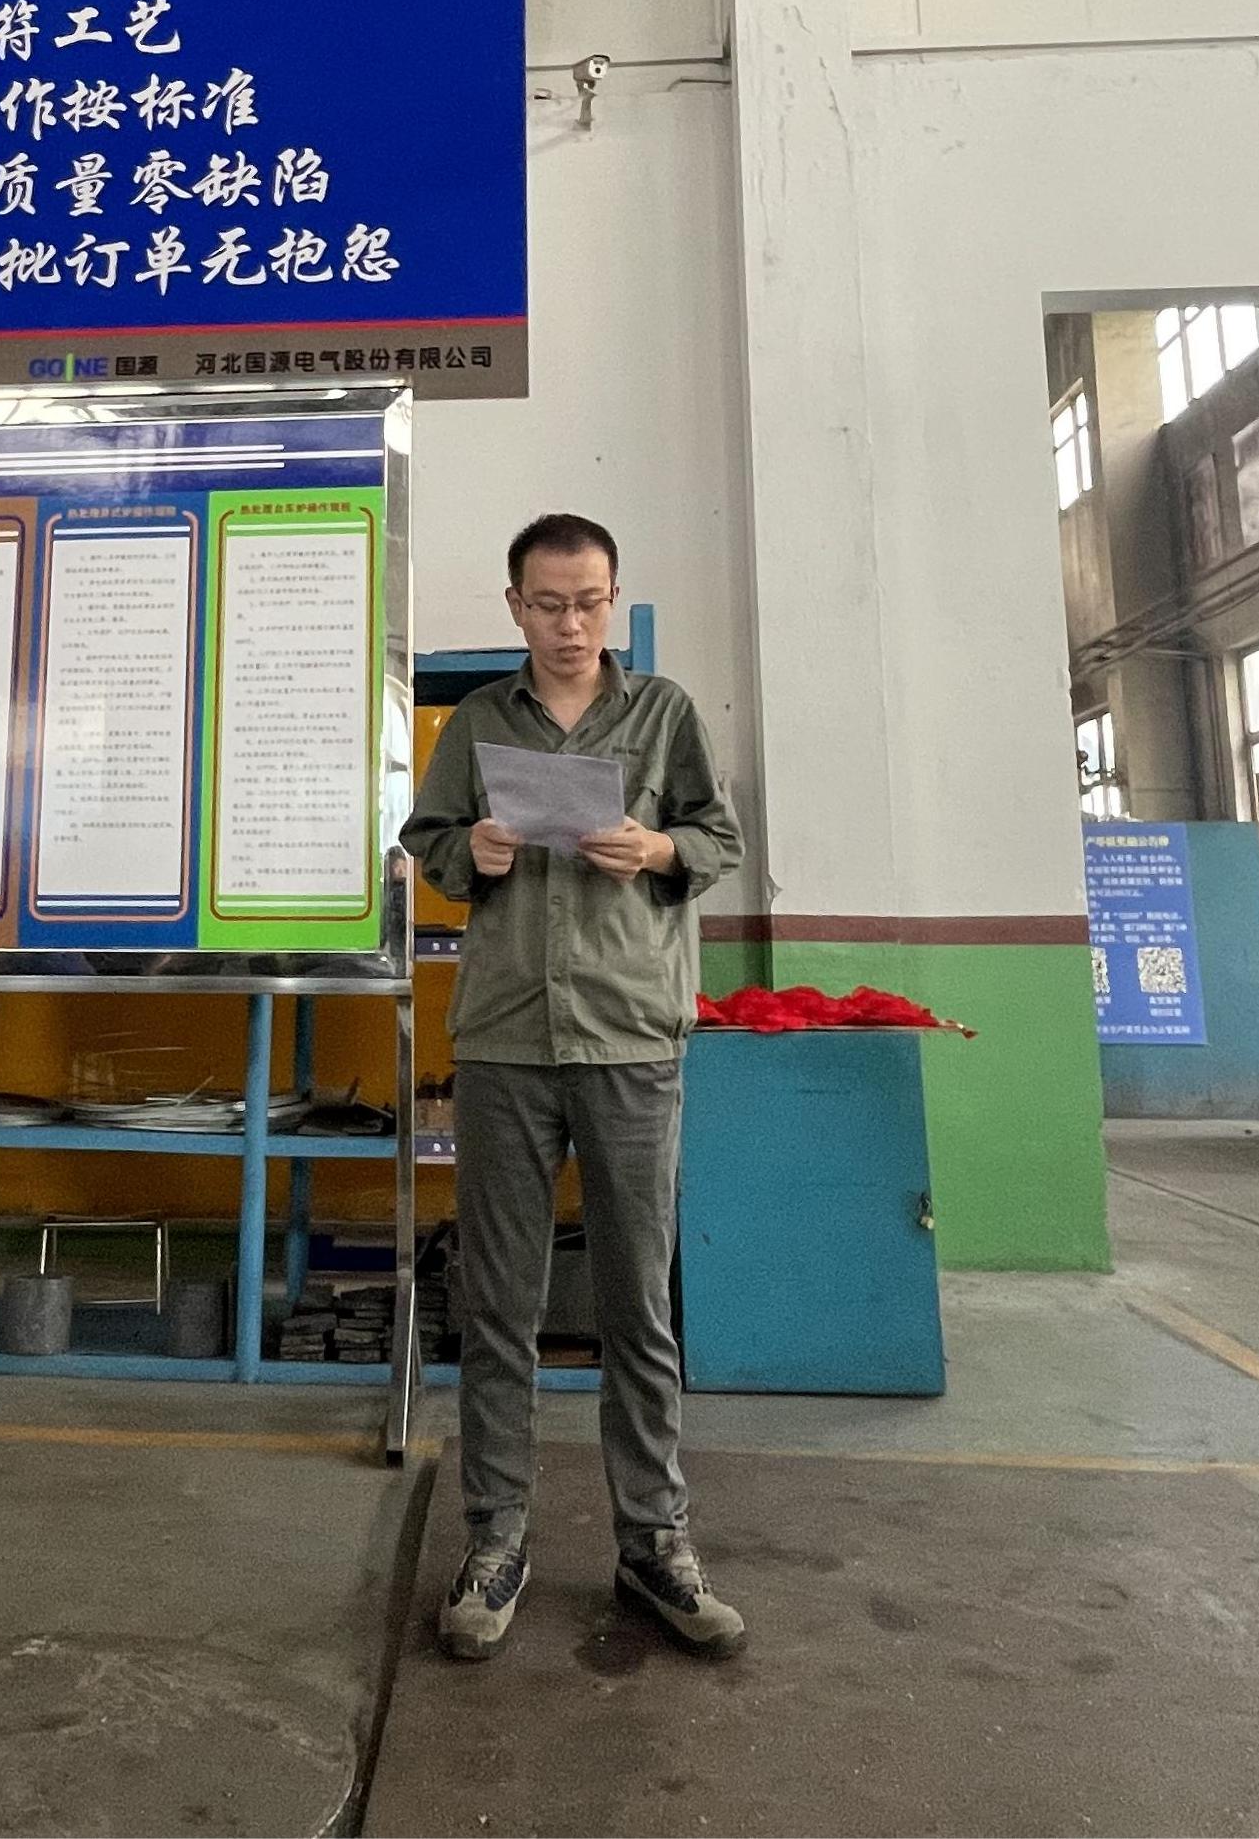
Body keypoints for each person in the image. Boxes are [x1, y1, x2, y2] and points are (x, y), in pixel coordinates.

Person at [399, 512, 747, 1663]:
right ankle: (496, 1538)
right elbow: (427, 838)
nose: (570, 624)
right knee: (499, 1303)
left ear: (612, 598)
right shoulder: (479, 722)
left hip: (630, 1036)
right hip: (505, 1041)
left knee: (636, 1303)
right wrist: (471, 854)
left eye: (589, 602)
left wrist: (658, 850)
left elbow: (720, 838)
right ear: (516, 607)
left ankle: (653, 1540)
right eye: (548, 604)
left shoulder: (665, 714)